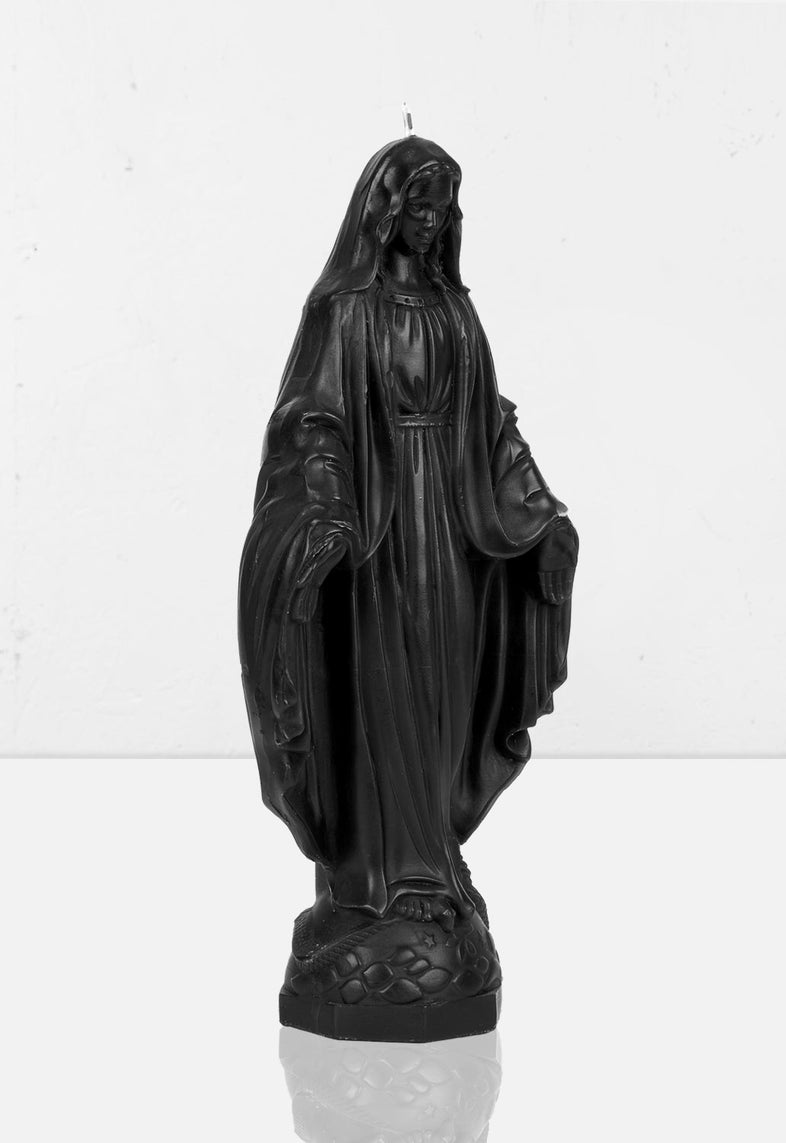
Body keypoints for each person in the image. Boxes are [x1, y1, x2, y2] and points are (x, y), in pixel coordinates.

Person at [239, 136, 578, 1003]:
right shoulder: (344, 309)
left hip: (451, 537)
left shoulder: (456, 310)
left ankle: (435, 864)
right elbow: (310, 420)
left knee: (444, 697)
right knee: (381, 697)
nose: (432, 221)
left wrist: (539, 510)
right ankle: (374, 880)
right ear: (384, 208)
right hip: (378, 544)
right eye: (419, 204)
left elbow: (493, 425)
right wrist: (324, 510)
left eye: (444, 207)